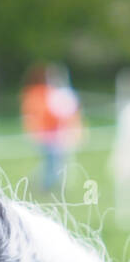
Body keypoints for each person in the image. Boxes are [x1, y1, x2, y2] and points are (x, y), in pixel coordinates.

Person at [21, 64, 83, 193]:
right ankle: (45, 185)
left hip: (54, 133)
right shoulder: (46, 95)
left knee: (53, 161)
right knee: (52, 161)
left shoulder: (52, 94)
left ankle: (45, 184)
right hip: (49, 134)